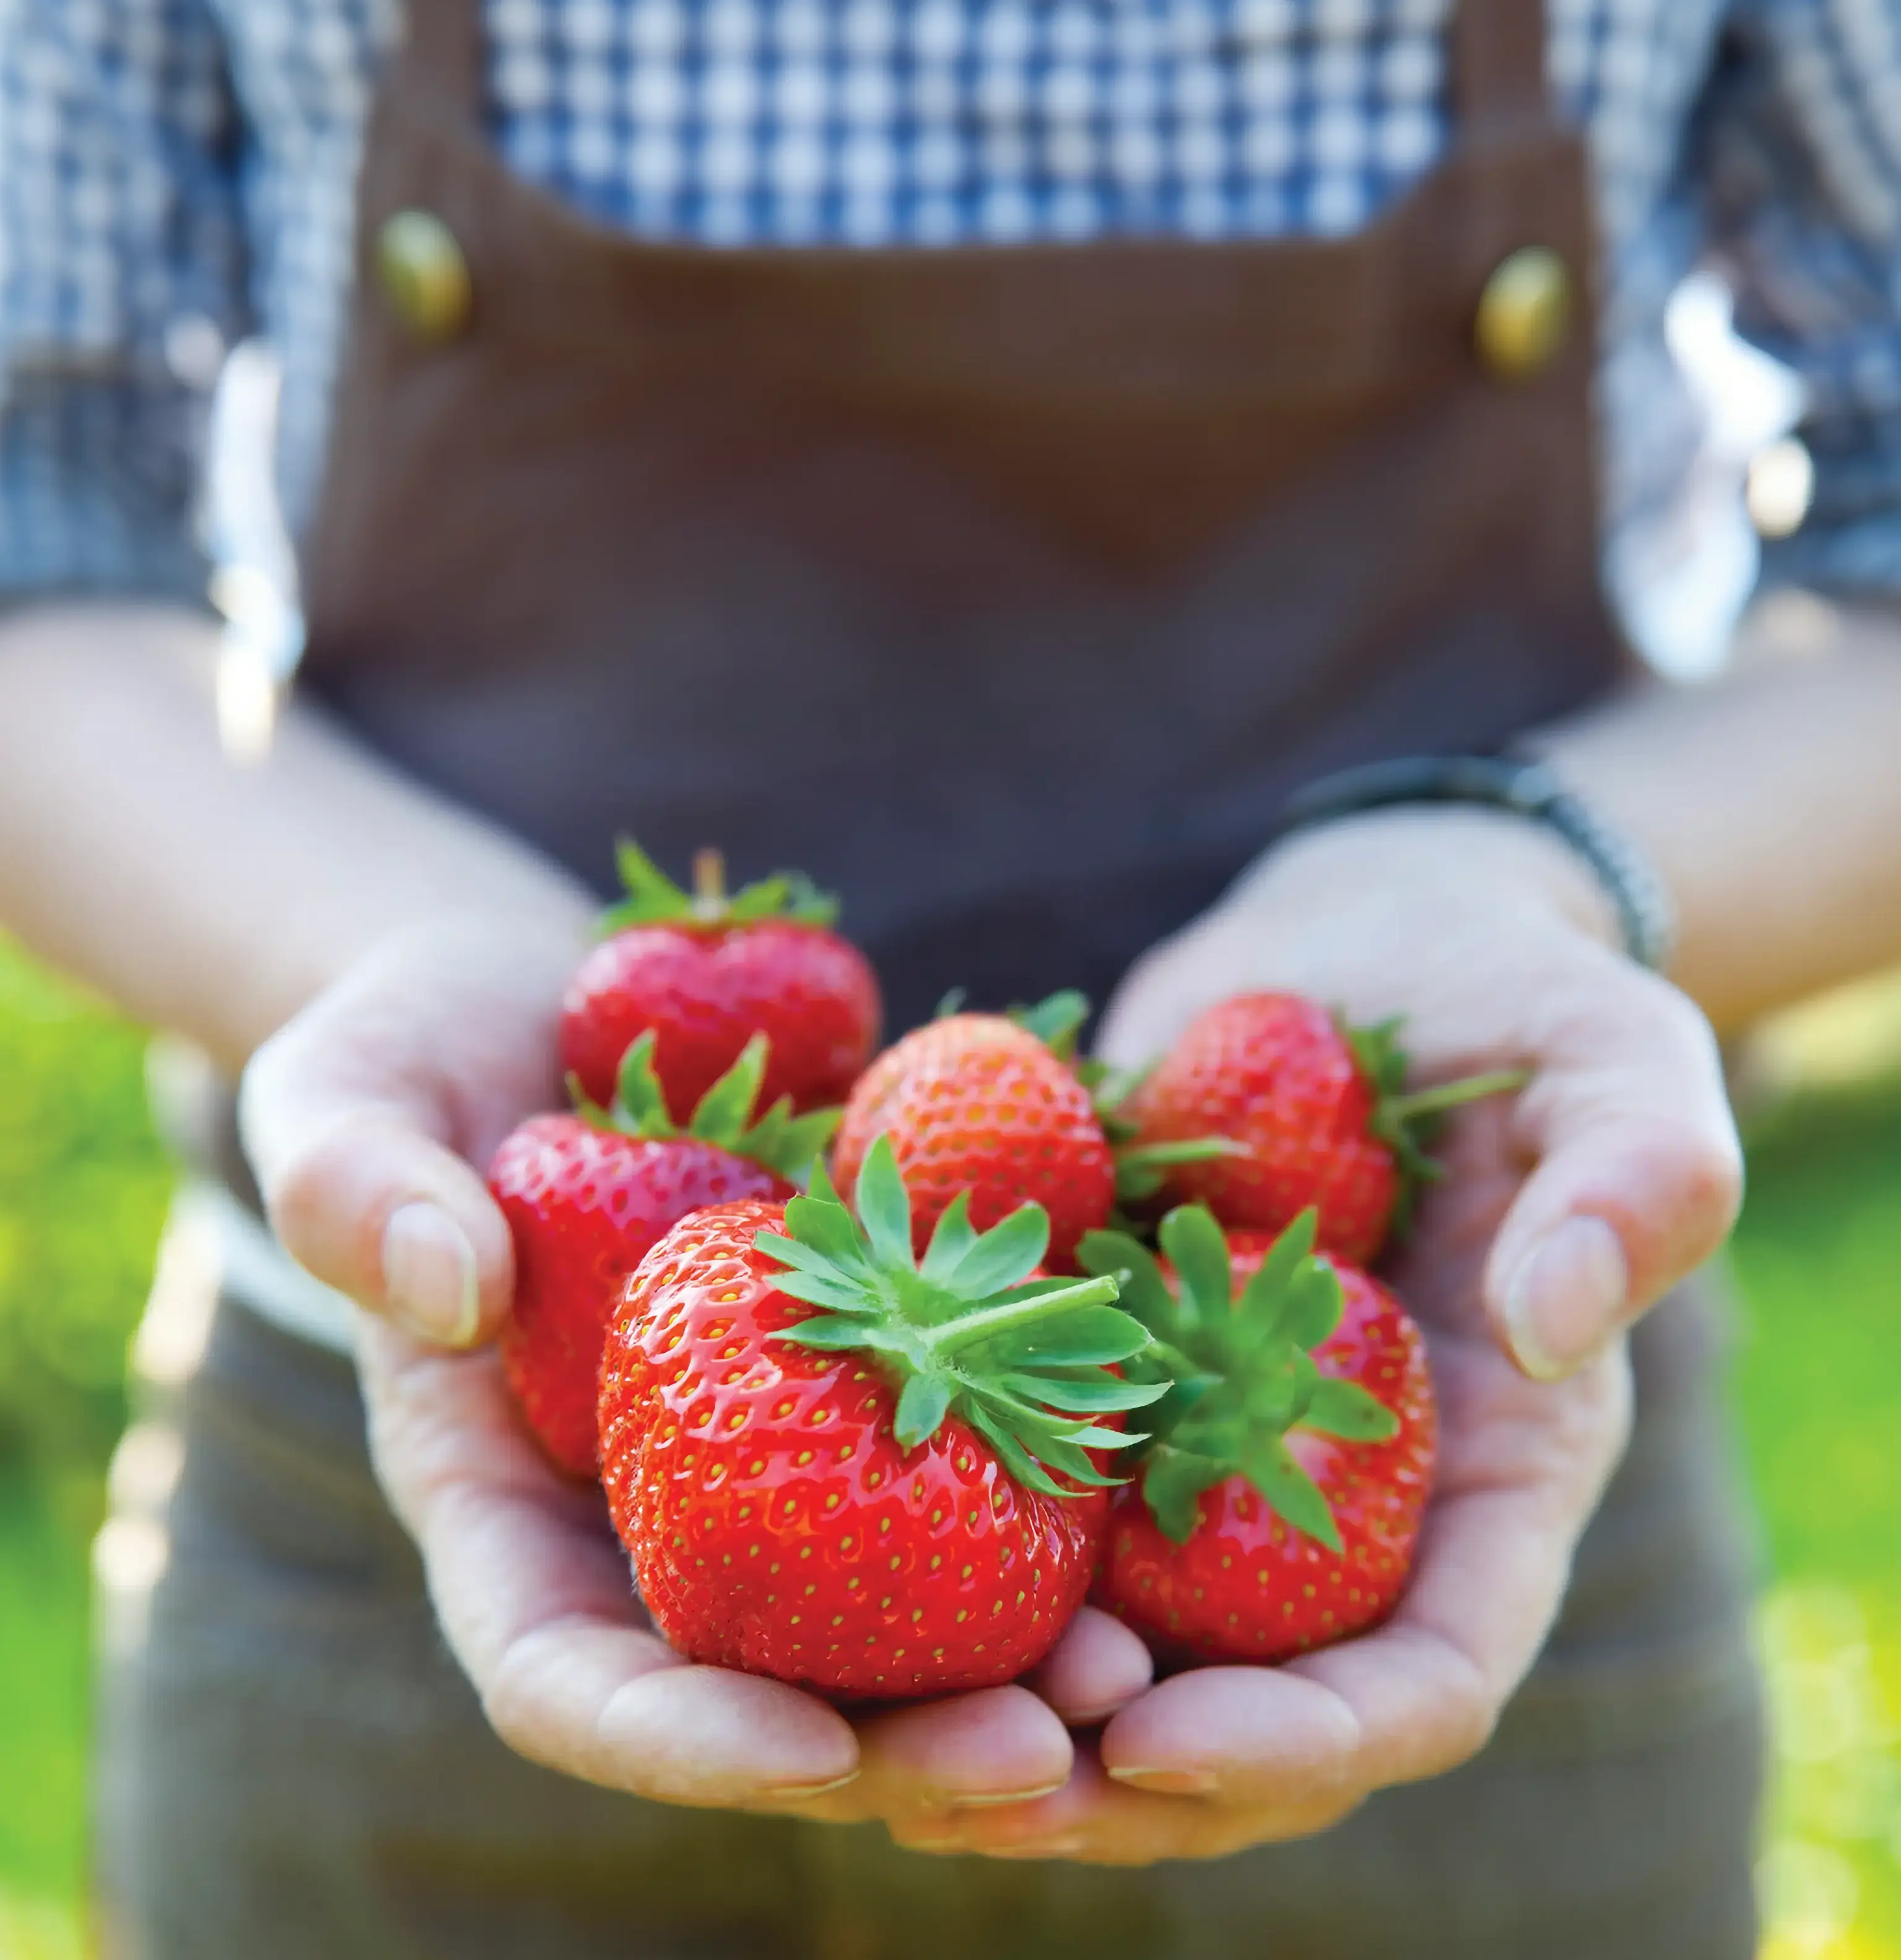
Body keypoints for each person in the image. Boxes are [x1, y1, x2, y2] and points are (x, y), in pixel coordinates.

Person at [5, 0, 1901, 1953]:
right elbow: (26, 508)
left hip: (1431, 1405)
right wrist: (390, 957)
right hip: (388, 1445)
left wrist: (1532, 882)